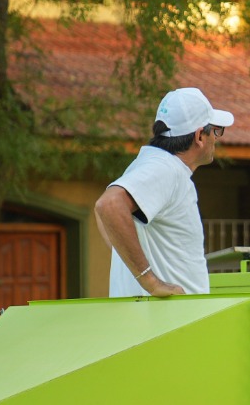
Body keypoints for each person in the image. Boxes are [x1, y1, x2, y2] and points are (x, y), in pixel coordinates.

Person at [94, 87, 233, 298]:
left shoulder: (154, 164)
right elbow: (109, 205)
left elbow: (102, 211)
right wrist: (150, 282)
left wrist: (128, 255)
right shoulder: (166, 169)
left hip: (158, 316)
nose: (217, 138)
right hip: (169, 317)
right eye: (215, 131)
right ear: (199, 136)